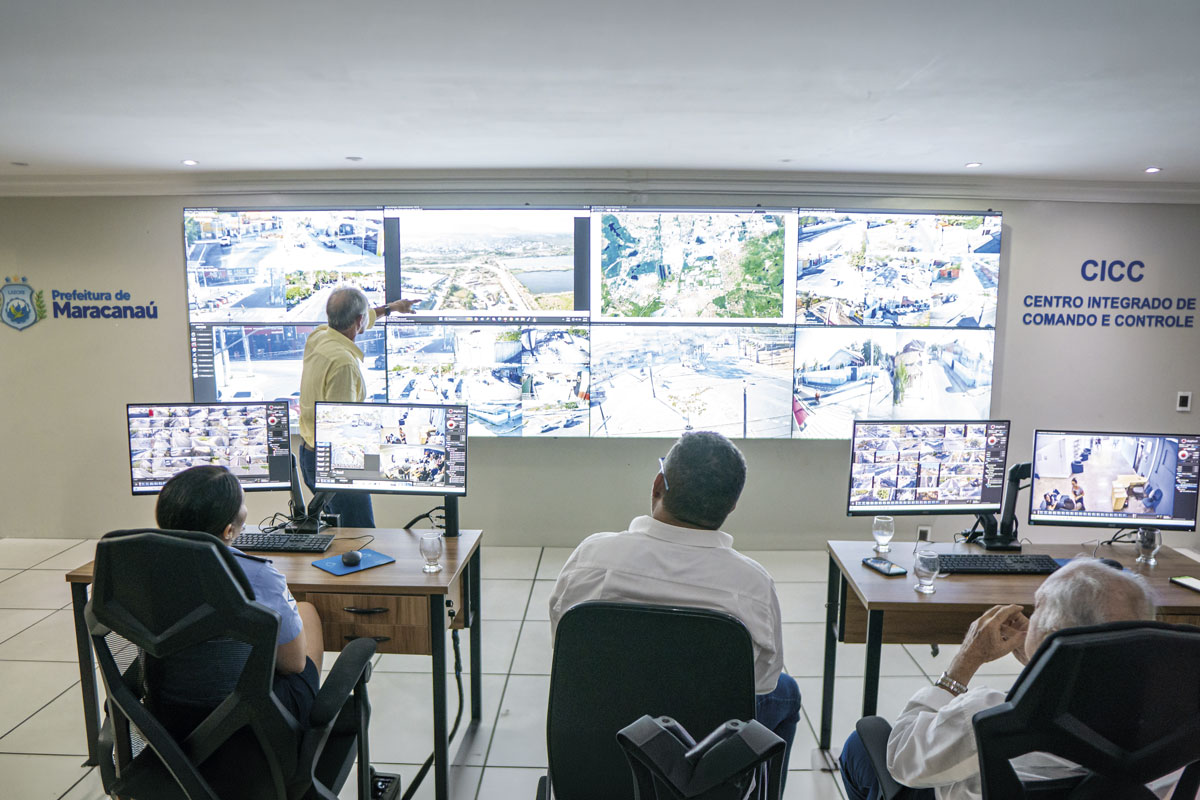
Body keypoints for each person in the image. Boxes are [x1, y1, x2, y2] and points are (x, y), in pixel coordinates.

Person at [548, 431, 801, 773]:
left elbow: (566, 646)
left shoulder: (591, 558)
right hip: (702, 765)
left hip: (598, 758)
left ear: (657, 486)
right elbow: (761, 684)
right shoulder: (753, 586)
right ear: (731, 506)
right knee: (786, 693)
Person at [839, 558, 1159, 800]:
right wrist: (1045, 661)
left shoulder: (996, 713)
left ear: (1052, 635)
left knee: (862, 744)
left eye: (1038, 611)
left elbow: (903, 761)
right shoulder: (1176, 715)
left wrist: (964, 661)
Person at [152, 465, 325, 731]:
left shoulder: (142, 569)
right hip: (248, 722)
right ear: (228, 531)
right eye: (243, 504)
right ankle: (306, 734)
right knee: (306, 611)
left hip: (165, 717)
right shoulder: (256, 575)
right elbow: (293, 664)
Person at [298, 287, 414, 527]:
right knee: (358, 535)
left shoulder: (319, 336)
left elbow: (362, 318)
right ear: (358, 321)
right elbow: (342, 431)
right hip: (336, 463)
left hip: (309, 455)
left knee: (338, 532)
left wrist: (391, 308)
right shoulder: (344, 364)